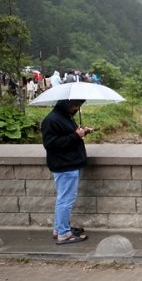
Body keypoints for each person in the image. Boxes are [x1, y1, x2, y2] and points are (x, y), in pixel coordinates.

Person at [41, 99, 91, 245]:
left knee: (63, 199)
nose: (77, 108)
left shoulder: (64, 116)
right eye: (75, 105)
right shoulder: (52, 120)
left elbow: (68, 136)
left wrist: (82, 133)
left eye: (79, 105)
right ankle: (64, 234)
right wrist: (76, 135)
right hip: (65, 165)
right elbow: (50, 144)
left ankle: (60, 229)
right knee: (66, 200)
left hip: (69, 163)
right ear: (66, 104)